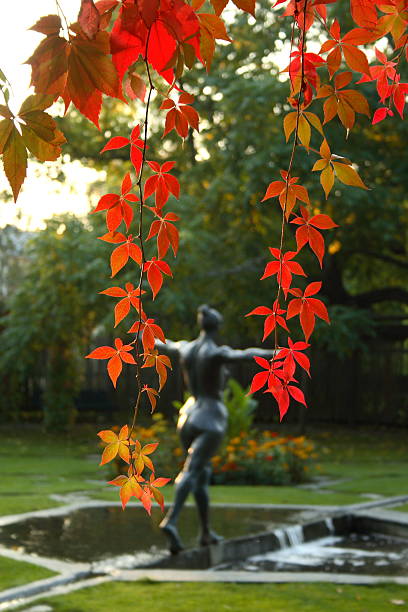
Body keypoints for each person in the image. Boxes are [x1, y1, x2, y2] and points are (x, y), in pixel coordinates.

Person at [158, 304, 275, 554]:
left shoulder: (186, 347)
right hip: (210, 417)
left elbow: (164, 343)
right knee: (193, 470)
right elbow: (246, 354)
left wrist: (141, 334)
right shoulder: (216, 352)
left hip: (187, 416)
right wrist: (276, 353)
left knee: (201, 475)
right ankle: (172, 520)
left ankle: (206, 533)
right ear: (217, 326)